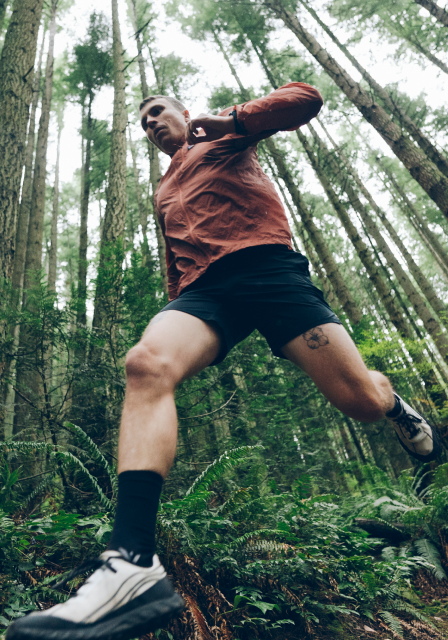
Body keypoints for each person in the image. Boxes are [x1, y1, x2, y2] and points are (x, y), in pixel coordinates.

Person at [8, 83, 442, 640]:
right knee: (146, 364)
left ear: (183, 112)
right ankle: (132, 560)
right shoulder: (163, 188)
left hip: (267, 269)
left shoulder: (226, 137)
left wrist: (229, 119)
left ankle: (395, 404)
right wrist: (178, 319)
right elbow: (174, 259)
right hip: (203, 293)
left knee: (359, 401)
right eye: (143, 122)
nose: (151, 124)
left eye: (157, 112)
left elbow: (304, 100)